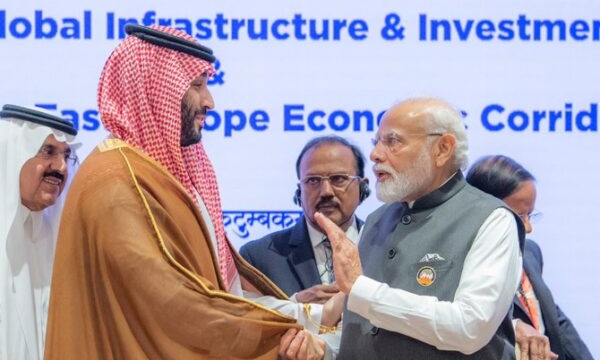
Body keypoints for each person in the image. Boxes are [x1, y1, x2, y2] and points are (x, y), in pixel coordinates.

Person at [43, 25, 307, 360]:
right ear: (152, 90)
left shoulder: (160, 174)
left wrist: (301, 312)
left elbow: (220, 290)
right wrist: (290, 330)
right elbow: (176, 306)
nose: (210, 102)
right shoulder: (116, 183)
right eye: (196, 85)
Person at [280, 98, 525, 360]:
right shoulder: (376, 221)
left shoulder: (491, 219)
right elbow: (364, 333)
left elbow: (469, 327)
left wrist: (363, 290)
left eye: (393, 141)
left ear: (442, 149)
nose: (375, 154)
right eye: (376, 142)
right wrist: (324, 350)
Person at [467, 155, 593, 360]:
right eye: (518, 216)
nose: (528, 228)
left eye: (530, 215)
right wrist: (514, 326)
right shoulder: (462, 260)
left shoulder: (530, 252)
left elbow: (553, 318)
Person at [240, 136, 370, 303]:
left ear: (362, 188)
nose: (326, 191)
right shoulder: (257, 258)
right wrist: (295, 308)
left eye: (338, 179)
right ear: (299, 192)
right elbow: (246, 317)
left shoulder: (386, 247)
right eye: (313, 180)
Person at [0, 104, 78, 360]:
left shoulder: (57, 241)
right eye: (48, 151)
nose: (61, 168)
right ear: (14, 153)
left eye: (66, 155)